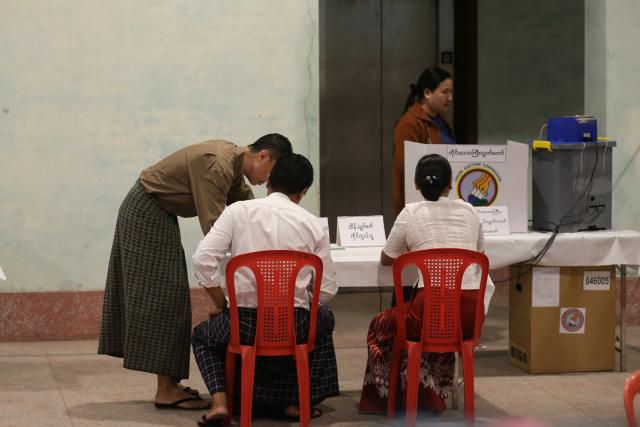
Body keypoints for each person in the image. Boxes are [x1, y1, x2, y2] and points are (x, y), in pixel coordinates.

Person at [98, 134, 293, 410]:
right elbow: (215, 229)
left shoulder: (234, 168)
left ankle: (169, 384)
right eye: (270, 175)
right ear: (263, 156)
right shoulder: (218, 165)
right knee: (165, 298)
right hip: (146, 210)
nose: (267, 183)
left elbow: (252, 213)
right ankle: (165, 390)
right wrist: (224, 301)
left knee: (170, 295)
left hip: (159, 212)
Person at [191, 153, 339, 426]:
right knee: (325, 320)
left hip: (242, 324)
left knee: (202, 336)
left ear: (269, 180)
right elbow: (327, 290)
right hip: (295, 326)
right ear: (303, 192)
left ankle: (220, 402)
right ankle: (296, 402)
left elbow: (202, 258)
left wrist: (221, 299)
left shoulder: (237, 212)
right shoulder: (313, 225)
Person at [359, 154, 494, 415]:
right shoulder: (470, 211)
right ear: (451, 184)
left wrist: (416, 248)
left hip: (427, 315)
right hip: (468, 317)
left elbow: (387, 258)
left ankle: (392, 400)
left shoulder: (411, 212)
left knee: (382, 323)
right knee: (428, 317)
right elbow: (478, 253)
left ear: (416, 184)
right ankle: (433, 395)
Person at [392, 66, 455, 217]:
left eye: (451, 92)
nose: (450, 98)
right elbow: (407, 169)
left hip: (441, 201)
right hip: (420, 208)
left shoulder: (440, 119)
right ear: (427, 93)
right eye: (445, 92)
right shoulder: (410, 123)